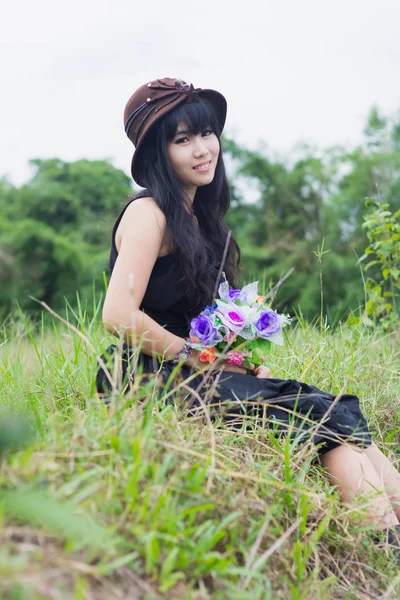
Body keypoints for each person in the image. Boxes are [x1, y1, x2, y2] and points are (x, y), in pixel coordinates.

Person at [97, 77, 400, 556]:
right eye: (182, 140)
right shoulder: (149, 214)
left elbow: (204, 316)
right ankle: (387, 550)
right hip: (147, 374)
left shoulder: (201, 219)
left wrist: (238, 358)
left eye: (206, 133)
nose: (202, 149)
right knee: (318, 418)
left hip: (193, 367)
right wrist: (198, 356)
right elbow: (116, 314)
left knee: (333, 409)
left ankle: (393, 532)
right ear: (159, 153)